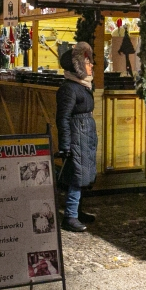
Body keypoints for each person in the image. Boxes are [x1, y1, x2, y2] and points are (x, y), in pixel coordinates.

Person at [55, 42, 98, 233]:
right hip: (76, 134)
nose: (91, 66)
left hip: (85, 134)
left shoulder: (83, 86)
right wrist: (65, 145)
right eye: (87, 64)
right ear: (78, 67)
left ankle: (77, 211)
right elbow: (62, 117)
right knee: (76, 177)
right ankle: (70, 216)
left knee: (83, 176)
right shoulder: (69, 88)